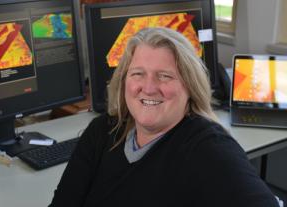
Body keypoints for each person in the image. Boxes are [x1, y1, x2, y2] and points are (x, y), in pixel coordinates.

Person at [49, 27, 279, 207]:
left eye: (165, 76)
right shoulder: (102, 131)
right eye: (138, 73)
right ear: (123, 82)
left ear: (189, 86)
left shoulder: (208, 148)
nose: (148, 88)